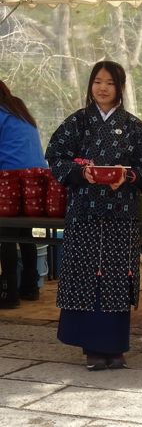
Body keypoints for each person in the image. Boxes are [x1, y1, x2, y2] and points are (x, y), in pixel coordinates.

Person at [45, 61, 142, 370]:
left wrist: (129, 176)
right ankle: (92, 349)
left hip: (121, 217)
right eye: (97, 81)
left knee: (114, 279)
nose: (102, 88)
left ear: (119, 87)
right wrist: (81, 171)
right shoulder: (78, 122)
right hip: (83, 213)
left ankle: (115, 347)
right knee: (85, 277)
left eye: (110, 82)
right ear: (90, 85)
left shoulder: (134, 126)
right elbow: (55, 156)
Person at [0, 81, 48, 309]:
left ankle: (8, 294)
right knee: (24, 230)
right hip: (36, 180)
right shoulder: (18, 110)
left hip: (12, 179)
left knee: (5, 232)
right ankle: (30, 287)